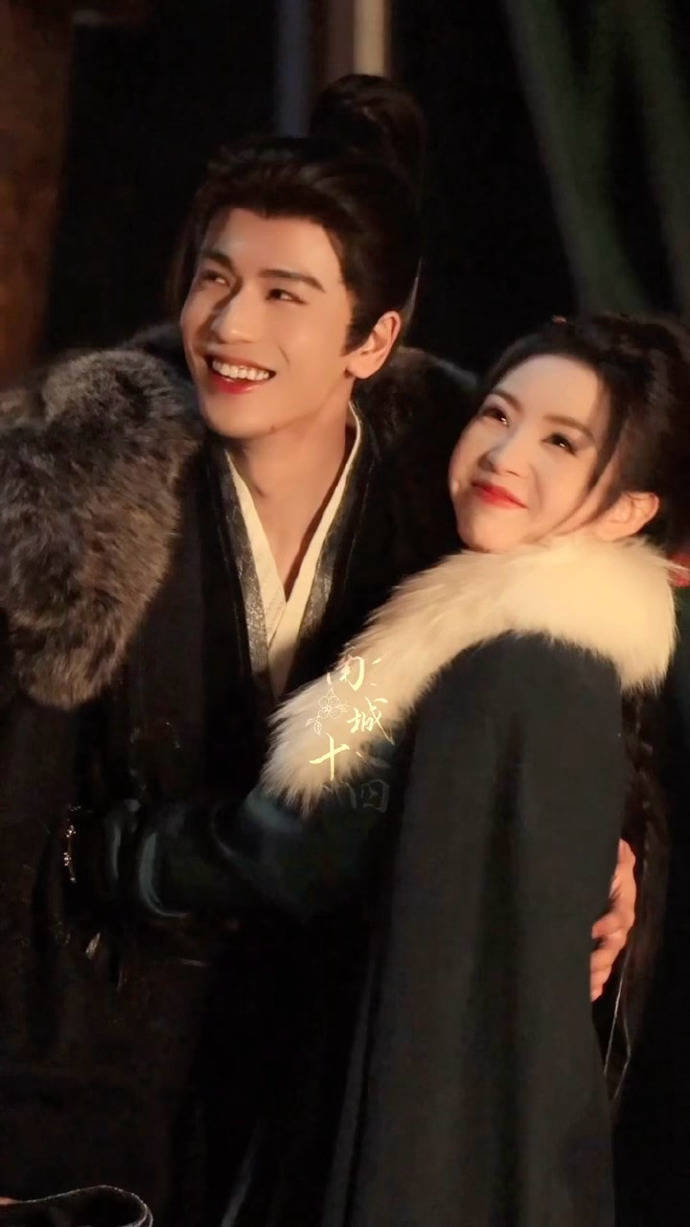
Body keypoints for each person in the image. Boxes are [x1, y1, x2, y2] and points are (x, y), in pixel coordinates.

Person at [0, 76, 632, 1225]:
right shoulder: (79, 497)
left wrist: (610, 852)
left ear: (374, 339)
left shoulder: (450, 510)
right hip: (97, 1077)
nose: (229, 327)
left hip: (338, 1079)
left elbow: (544, 753)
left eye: (284, 293)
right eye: (215, 278)